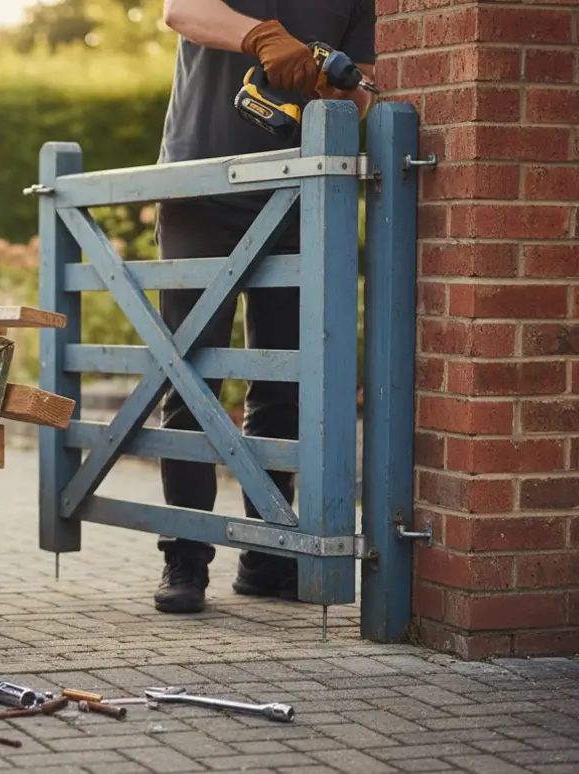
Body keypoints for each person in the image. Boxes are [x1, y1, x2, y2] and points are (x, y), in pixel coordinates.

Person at [153, 0, 376, 614]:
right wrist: (260, 37)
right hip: (200, 186)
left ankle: (269, 553)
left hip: (299, 192)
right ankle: (186, 559)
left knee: (284, 384)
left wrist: (335, 82)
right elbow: (180, 10)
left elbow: (365, 98)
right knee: (191, 379)